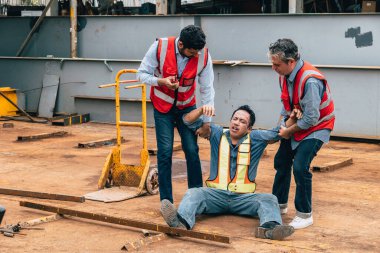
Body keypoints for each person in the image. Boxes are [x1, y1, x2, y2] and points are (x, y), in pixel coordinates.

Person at [160, 105, 299, 240]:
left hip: (243, 199)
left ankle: (269, 229)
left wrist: (292, 117)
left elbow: (278, 132)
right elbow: (187, 120)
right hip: (215, 197)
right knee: (194, 193)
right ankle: (181, 223)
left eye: (242, 121)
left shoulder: (256, 138)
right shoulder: (216, 133)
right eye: (235, 119)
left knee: (269, 199)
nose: (236, 123)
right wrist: (202, 109)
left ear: (249, 128)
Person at [137, 25, 215, 206]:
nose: (196, 55)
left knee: (192, 151)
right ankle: (166, 201)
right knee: (164, 153)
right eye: (192, 51)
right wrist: (160, 81)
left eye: (198, 51)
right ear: (181, 44)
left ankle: (196, 198)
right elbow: (141, 74)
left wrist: (207, 122)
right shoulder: (159, 47)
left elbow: (207, 88)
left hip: (187, 108)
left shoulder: (203, 55)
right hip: (162, 107)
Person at [268, 38, 335, 229]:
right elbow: (286, 104)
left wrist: (287, 131)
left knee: (300, 167)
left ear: (291, 61)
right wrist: (282, 125)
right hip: (297, 124)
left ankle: (305, 214)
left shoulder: (310, 81)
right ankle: (279, 204)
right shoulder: (284, 75)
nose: (274, 68)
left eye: (277, 64)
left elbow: (311, 119)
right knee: (281, 161)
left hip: (318, 127)